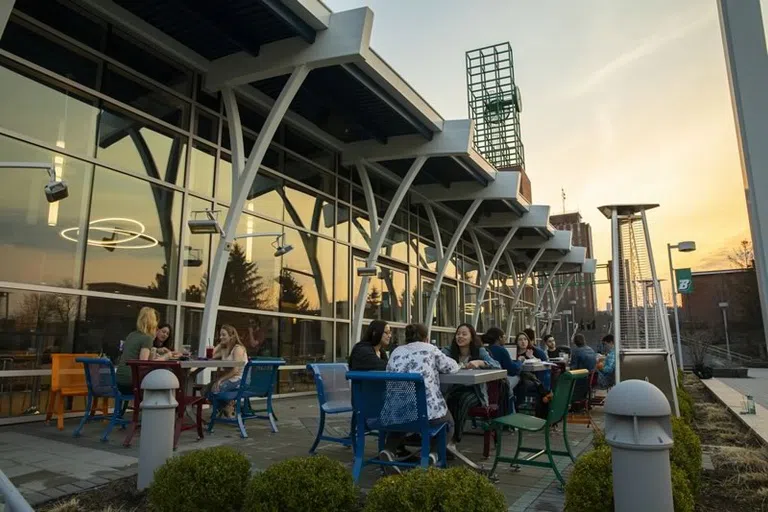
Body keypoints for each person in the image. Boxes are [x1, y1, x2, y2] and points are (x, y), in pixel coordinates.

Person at [381, 323, 460, 470]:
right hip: (426, 414)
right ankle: (433, 455)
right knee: (449, 423)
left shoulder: (396, 351)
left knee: (403, 420)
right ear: (426, 337)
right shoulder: (430, 349)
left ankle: (389, 450)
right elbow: (451, 367)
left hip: (397, 413)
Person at [442, 323, 500, 443]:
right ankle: (442, 437)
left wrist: (480, 362)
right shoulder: (448, 351)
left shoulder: (480, 351)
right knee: (447, 400)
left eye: (464, 334)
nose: (460, 337)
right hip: (452, 389)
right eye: (458, 334)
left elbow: (497, 366)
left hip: (475, 391)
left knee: (461, 400)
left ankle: (453, 440)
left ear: (472, 337)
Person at [115, 307, 163, 396]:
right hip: (132, 383)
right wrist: (166, 357)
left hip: (118, 382)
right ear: (153, 322)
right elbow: (143, 364)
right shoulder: (147, 338)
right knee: (163, 383)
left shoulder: (131, 335)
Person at [205, 324, 248, 418]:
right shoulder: (224, 349)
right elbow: (210, 356)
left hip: (239, 379)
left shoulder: (238, 349)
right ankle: (227, 406)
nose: (221, 337)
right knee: (204, 390)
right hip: (229, 378)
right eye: (220, 335)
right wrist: (219, 344)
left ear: (231, 336)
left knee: (216, 389)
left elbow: (236, 370)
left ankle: (226, 406)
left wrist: (220, 380)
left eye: (224, 335)